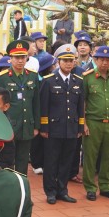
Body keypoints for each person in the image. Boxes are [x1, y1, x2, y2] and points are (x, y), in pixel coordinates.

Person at [37, 44, 85, 205]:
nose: (68, 64)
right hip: (53, 128)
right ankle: (50, 191)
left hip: (71, 128)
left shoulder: (79, 81)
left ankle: (62, 190)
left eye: (71, 60)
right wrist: (44, 127)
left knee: (66, 161)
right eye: (65, 60)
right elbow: (43, 106)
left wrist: (80, 127)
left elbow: (80, 107)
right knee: (51, 161)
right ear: (58, 62)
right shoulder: (48, 80)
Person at [78, 45, 109, 201]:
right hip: (93, 122)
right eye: (102, 59)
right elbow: (83, 101)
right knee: (90, 156)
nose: (105, 63)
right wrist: (83, 123)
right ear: (95, 59)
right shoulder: (87, 77)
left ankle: (106, 186)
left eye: (108, 60)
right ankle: (90, 187)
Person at [0, 40, 40, 173]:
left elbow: (36, 102)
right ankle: (9, 188)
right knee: (7, 160)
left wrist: (36, 125)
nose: (20, 60)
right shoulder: (2, 78)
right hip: (9, 125)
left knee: (23, 161)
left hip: (27, 125)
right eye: (17, 57)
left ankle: (21, 188)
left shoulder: (33, 75)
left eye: (23, 57)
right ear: (10, 59)